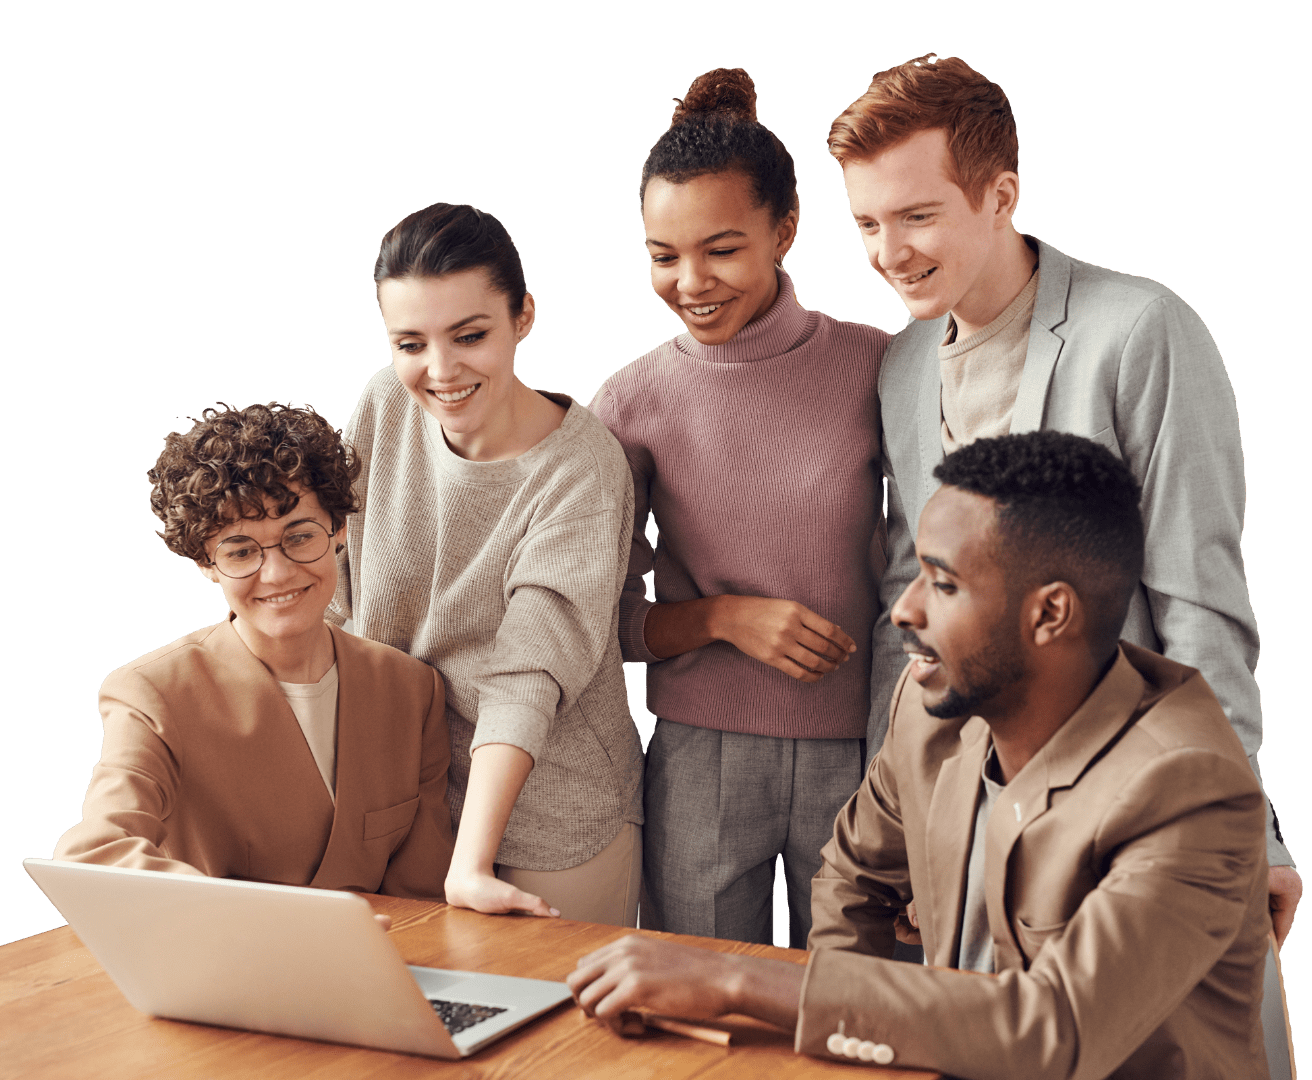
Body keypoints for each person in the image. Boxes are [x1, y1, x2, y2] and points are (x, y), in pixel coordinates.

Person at [568, 431, 1270, 1079]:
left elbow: (1055, 1028)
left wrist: (737, 980)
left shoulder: (1189, 787)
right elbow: (854, 877)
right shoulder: (932, 707)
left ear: (1050, 613)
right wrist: (839, 1052)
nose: (904, 610)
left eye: (943, 583)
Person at [828, 53, 1298, 947]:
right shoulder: (903, 366)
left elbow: (1201, 604)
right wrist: (910, 831)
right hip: (970, 808)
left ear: (1000, 195)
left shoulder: (1141, 330)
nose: (889, 253)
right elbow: (910, 612)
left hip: (1131, 794)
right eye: (868, 223)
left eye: (918, 216)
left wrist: (1245, 827)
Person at [589, 67, 890, 946]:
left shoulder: (883, 366)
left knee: (862, 1000)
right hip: (697, 757)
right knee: (699, 1009)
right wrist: (723, 618)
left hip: (867, 752)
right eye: (663, 255)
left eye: (721, 249)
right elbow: (599, 622)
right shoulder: (629, 402)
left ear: (785, 229)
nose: (691, 281)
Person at [328, 202, 643, 926]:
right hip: (407, 796)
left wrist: (470, 861)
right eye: (411, 343)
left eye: (470, 335)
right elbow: (337, 593)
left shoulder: (582, 466)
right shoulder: (384, 405)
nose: (441, 371)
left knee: (550, 1002)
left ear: (523, 316)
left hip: (553, 811)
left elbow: (530, 667)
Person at [56, 403, 455, 901]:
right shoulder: (152, 693)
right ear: (206, 562)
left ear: (339, 529)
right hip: (222, 949)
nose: (278, 574)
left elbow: (422, 892)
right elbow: (97, 855)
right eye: (242, 551)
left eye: (299, 537)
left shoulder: (413, 690)